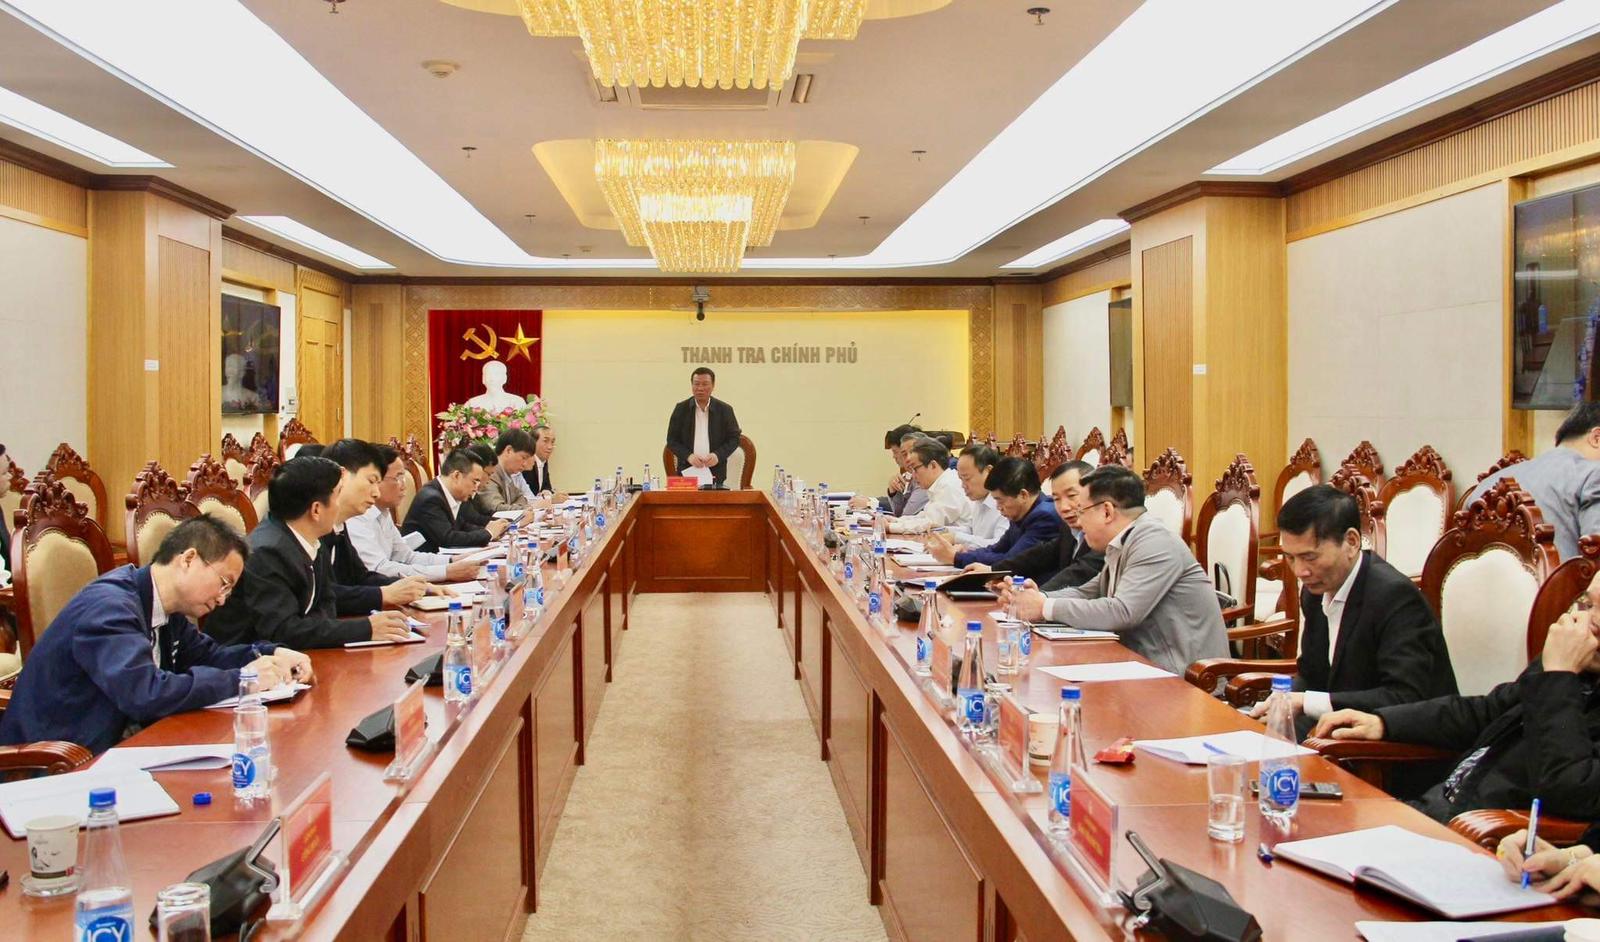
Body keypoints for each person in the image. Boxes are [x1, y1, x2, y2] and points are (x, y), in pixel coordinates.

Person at [0, 516, 313, 754]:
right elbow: (144, 694)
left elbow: (209, 656)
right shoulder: (111, 608)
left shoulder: (163, 606)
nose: (223, 599)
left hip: (120, 747)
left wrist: (270, 654)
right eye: (224, 583)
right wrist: (243, 679)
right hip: (60, 761)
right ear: (188, 559)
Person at [1313, 570, 1600, 824]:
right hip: (1439, 808)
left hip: (1487, 834)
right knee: (1313, 822)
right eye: (1587, 604)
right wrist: (1384, 723)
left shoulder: (1562, 670)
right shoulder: (1572, 666)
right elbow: (1486, 711)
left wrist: (1559, 676)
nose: (1587, 622)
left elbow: (1569, 788)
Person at [1250, 485, 1456, 737]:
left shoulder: (1395, 597)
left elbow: (1404, 697)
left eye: (1310, 557)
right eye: (1291, 558)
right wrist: (1281, 703)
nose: (1300, 571)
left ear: (1351, 542)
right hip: (1337, 728)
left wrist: (1306, 702)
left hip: (1401, 741)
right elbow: (1312, 675)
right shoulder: (1315, 591)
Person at [1001, 465, 1228, 676]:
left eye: (1082, 511)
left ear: (1107, 512)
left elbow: (1122, 611)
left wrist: (1044, 607)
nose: (1078, 522)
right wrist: (1037, 598)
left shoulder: (1154, 542)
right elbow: (1088, 592)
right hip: (1143, 666)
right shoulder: (1123, 542)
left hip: (1188, 680)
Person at [205, 456, 415, 648]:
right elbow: (282, 630)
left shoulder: (313, 538)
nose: (341, 503)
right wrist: (366, 629)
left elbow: (327, 602)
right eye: (338, 495)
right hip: (247, 662)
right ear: (316, 510)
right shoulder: (267, 552)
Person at [1470, 401, 1600, 560]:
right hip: (1562, 576)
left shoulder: (1485, 486)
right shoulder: (1594, 475)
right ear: (1596, 438)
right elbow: (1596, 556)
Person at [318, 439, 432, 609]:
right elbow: (322, 596)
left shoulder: (340, 526)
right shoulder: (315, 528)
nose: (376, 493)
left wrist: (415, 587)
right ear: (342, 476)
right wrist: (383, 595)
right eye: (371, 481)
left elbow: (361, 577)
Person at [347, 445, 483, 583]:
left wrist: (452, 560)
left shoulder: (383, 512)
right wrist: (446, 572)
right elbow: (379, 569)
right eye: (398, 478)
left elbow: (407, 557)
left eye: (403, 477)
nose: (403, 486)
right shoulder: (356, 516)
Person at [964, 460, 1106, 591]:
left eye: (1072, 495)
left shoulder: (1105, 534)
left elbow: (1080, 572)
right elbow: (1038, 556)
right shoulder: (1068, 528)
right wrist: (992, 571)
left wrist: (1039, 597)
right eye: (1056, 498)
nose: (1064, 507)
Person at [930, 457, 1060, 568]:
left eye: (1000, 500)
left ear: (1023, 495)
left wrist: (956, 558)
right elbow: (996, 549)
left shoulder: (1044, 517)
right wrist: (963, 554)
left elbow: (1011, 560)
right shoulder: (1021, 512)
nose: (998, 507)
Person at [403, 448, 510, 552]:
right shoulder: (431, 498)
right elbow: (448, 538)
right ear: (457, 476)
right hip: (422, 561)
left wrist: (490, 529)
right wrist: (488, 533)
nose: (476, 488)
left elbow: (462, 526)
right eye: (474, 482)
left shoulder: (449, 494)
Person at [666, 367, 742, 487]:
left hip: (716, 473)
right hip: (687, 472)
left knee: (714, 499)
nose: (700, 388)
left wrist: (717, 455)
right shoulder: (681, 409)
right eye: (696, 384)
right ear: (692, 385)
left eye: (705, 384)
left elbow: (734, 439)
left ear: (713, 385)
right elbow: (672, 440)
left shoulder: (725, 410)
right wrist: (688, 456)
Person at [885, 438, 967, 534]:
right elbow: (923, 517)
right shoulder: (940, 484)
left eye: (915, 469)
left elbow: (928, 524)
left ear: (933, 465)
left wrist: (889, 527)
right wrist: (895, 521)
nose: (913, 475)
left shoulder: (949, 485)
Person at [478, 428, 541, 514]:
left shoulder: (507, 475)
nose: (525, 464)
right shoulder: (490, 474)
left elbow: (522, 498)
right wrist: (525, 509)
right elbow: (496, 508)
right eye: (523, 458)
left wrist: (514, 507)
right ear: (508, 450)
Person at [522, 424, 563, 499]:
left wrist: (548, 492)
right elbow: (527, 495)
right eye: (545, 441)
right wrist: (550, 499)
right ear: (533, 442)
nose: (550, 447)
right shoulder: (526, 463)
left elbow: (547, 486)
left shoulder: (543, 461)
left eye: (552, 442)